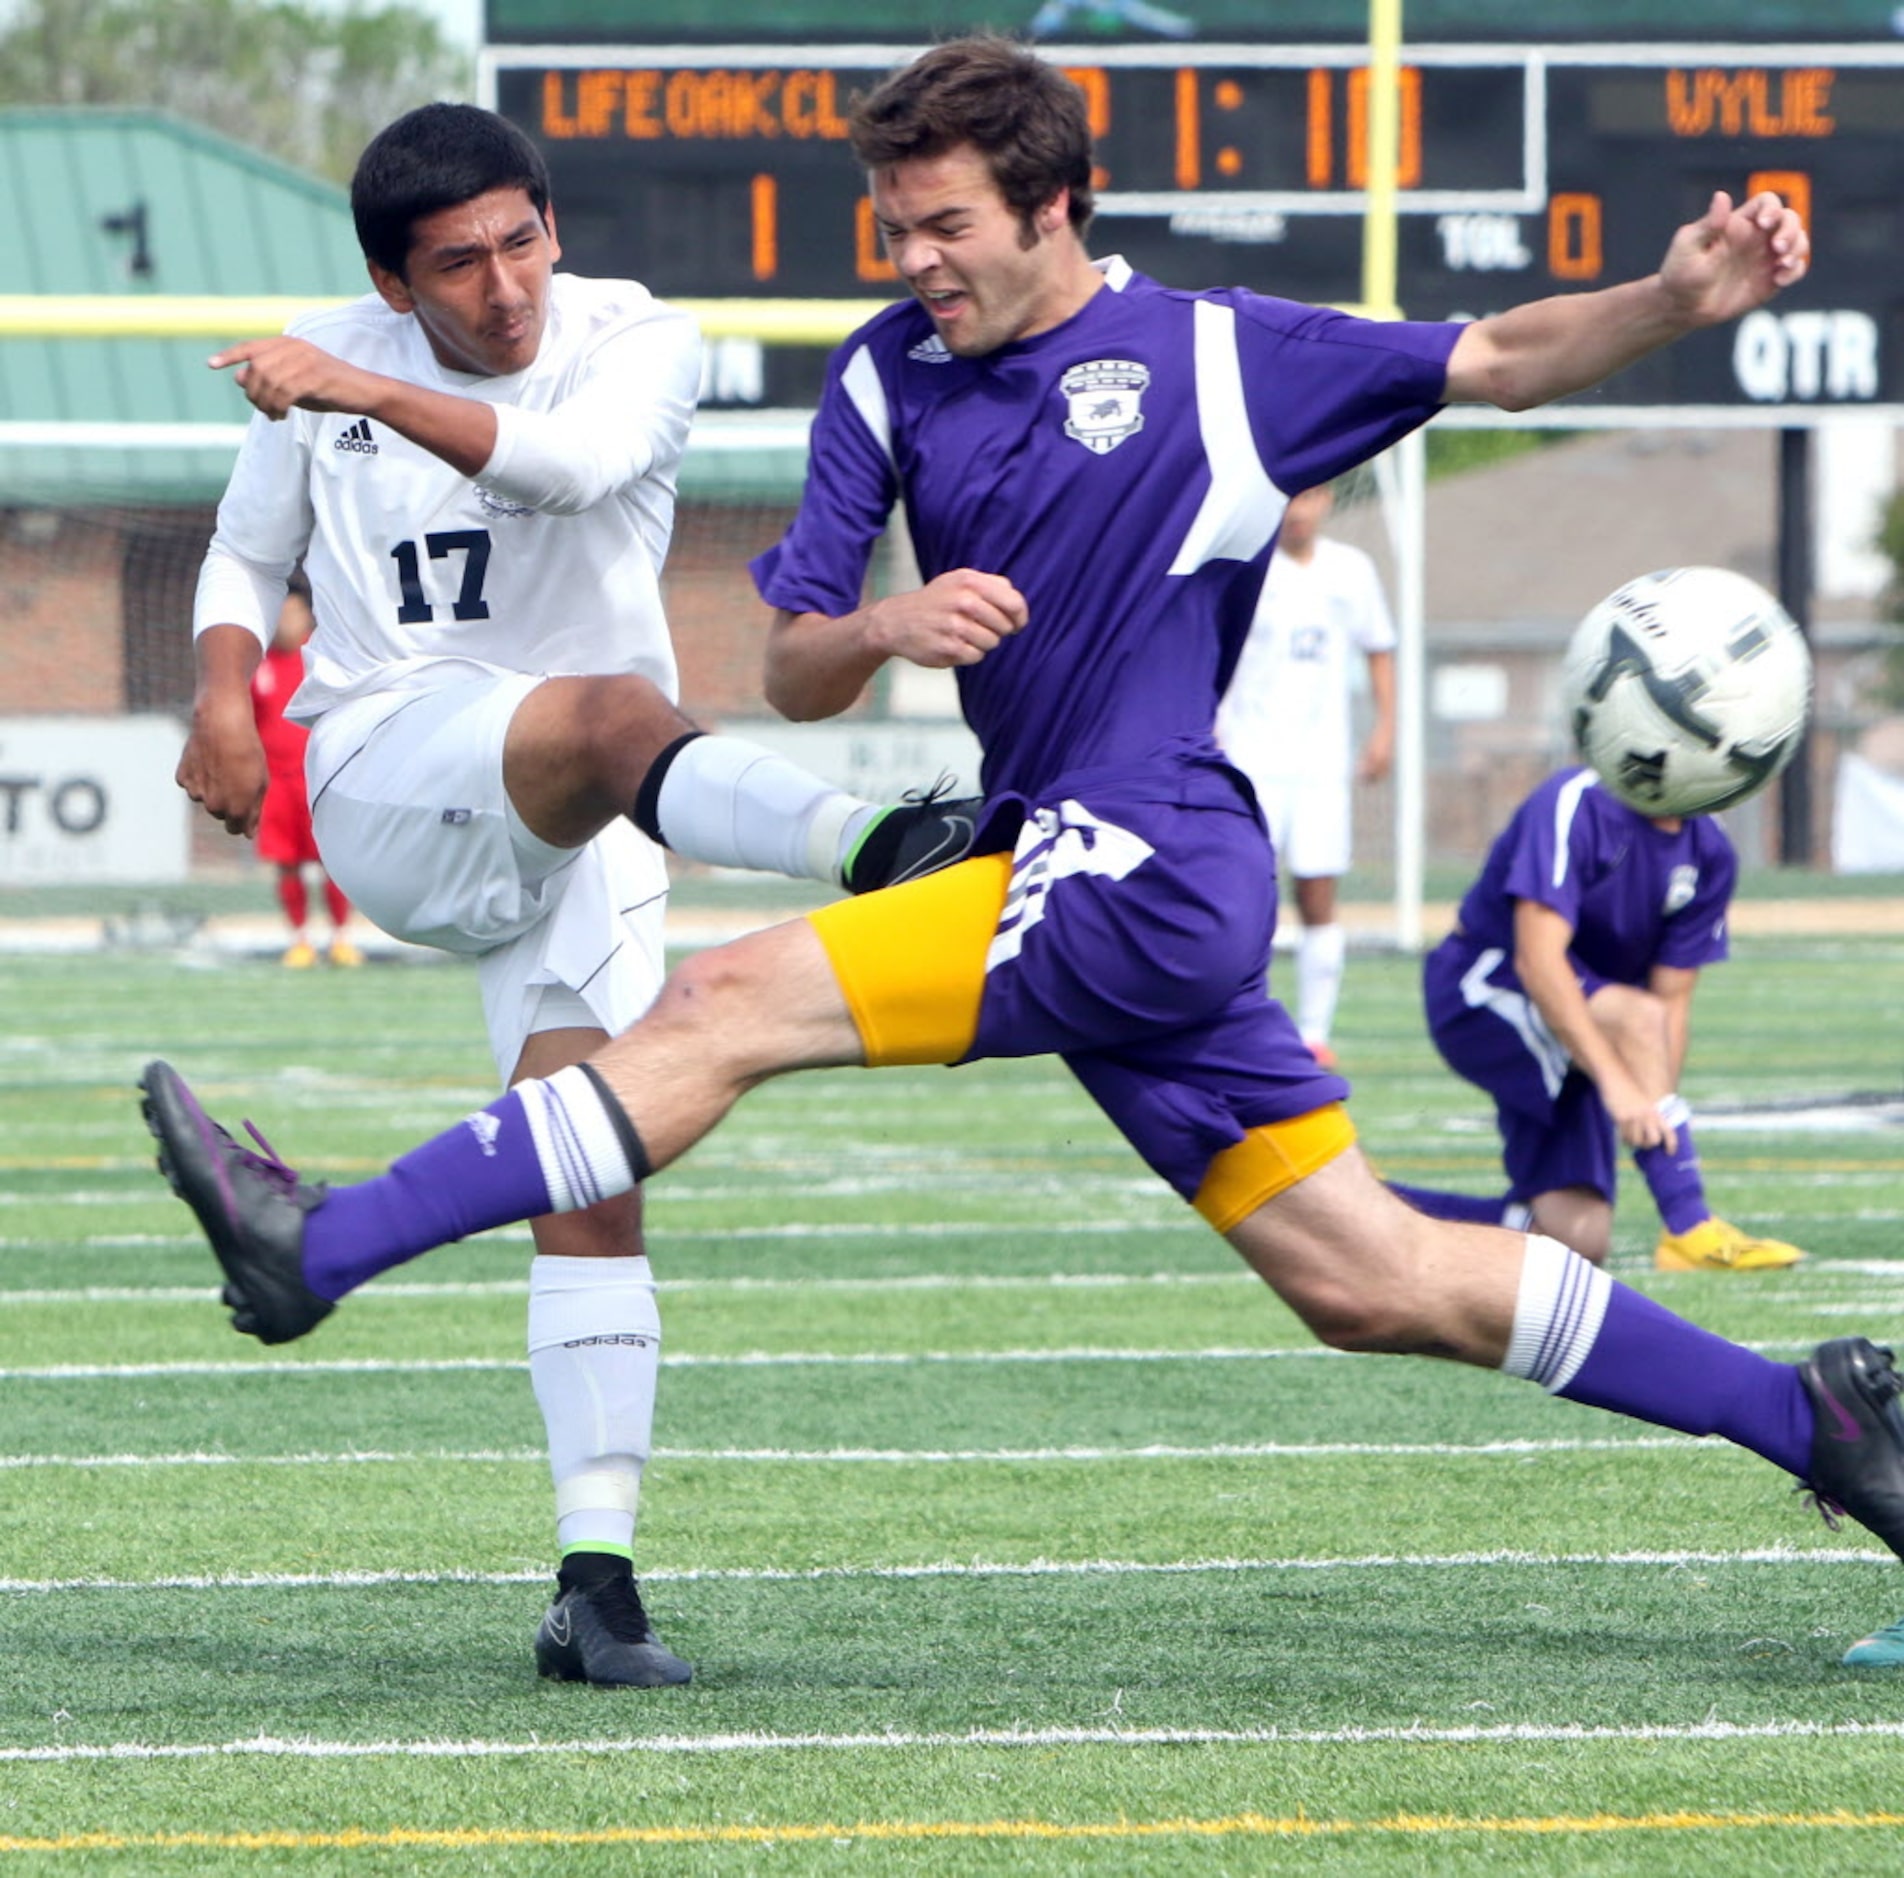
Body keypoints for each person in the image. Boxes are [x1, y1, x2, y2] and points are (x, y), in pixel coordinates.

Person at [144, 40, 1904, 1666]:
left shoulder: (1215, 355)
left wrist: (1676, 300)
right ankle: (1809, 1415)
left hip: (1143, 850)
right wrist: (885, 624)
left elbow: (1497, 356)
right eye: (894, 225)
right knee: (1368, 1278)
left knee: (718, 1002)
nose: (915, 259)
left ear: (1057, 208)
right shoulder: (883, 376)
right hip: (1066, 861)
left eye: (947, 226)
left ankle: (326, 1243)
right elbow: (785, 664)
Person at [177, 101, 978, 1689]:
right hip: (391, 765)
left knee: (595, 1172)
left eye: (520, 240)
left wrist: (356, 383)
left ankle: (593, 1584)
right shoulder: (323, 366)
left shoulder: (637, 340)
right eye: (456, 264)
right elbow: (233, 556)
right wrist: (215, 697)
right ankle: (881, 849)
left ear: (554, 221)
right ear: (393, 284)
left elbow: (572, 468)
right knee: (616, 706)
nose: (503, 286)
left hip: (593, 815)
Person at [1386, 766, 1804, 1272]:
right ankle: (1690, 1227)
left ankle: (1361, 1209)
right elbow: (1538, 960)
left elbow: (1673, 1002)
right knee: (1636, 1017)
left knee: (1576, 1239)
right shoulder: (1575, 802)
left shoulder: (1710, 851)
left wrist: (1652, 1117)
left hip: (1586, 1024)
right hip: (1484, 986)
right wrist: (1617, 1083)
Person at [1214, 481, 1395, 1068]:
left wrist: (1385, 727)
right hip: (1251, 760)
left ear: (1329, 501)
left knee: (1318, 894)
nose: (1299, 511)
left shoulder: (1352, 571)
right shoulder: (1246, 569)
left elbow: (1378, 648)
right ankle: (1245, 1019)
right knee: (1247, 895)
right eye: (1291, 498)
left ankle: (1315, 1033)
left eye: (1311, 497)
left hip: (1320, 764)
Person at [250, 570, 363, 969]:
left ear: (307, 615)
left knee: (333, 860)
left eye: (292, 611)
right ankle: (299, 939)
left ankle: (341, 938)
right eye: (278, 612)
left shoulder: (322, 658)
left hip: (320, 778)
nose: (285, 620)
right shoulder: (259, 666)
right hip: (277, 785)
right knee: (287, 862)